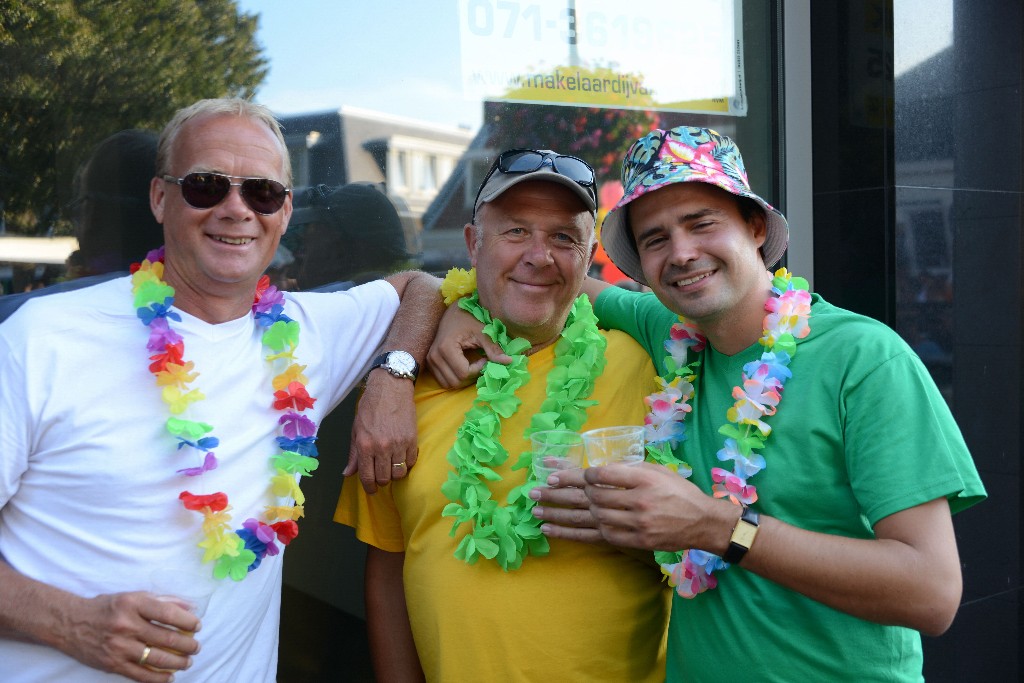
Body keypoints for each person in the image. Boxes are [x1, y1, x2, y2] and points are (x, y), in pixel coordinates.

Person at [428, 127, 986, 681]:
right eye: (655, 239)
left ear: (756, 226)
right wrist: (456, 311)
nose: (682, 253)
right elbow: (551, 285)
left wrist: (721, 527)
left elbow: (932, 593)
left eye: (701, 223)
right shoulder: (670, 333)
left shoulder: (863, 358)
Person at [0, 97, 440, 682]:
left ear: (283, 213)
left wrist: (393, 373)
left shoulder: (309, 333)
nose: (237, 210)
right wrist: (70, 621)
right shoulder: (41, 339)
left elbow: (423, 286)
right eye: (207, 185)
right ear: (161, 198)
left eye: (262, 192)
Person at [335, 148, 671, 681]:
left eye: (564, 237)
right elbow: (389, 567)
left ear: (588, 257)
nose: (539, 256)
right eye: (516, 231)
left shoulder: (651, 367)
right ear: (473, 244)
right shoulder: (403, 388)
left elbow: (710, 549)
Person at [0, 129, 166, 323]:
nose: (74, 219)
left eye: (80, 203)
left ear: (94, 213)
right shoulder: (196, 313)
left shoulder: (18, 319)